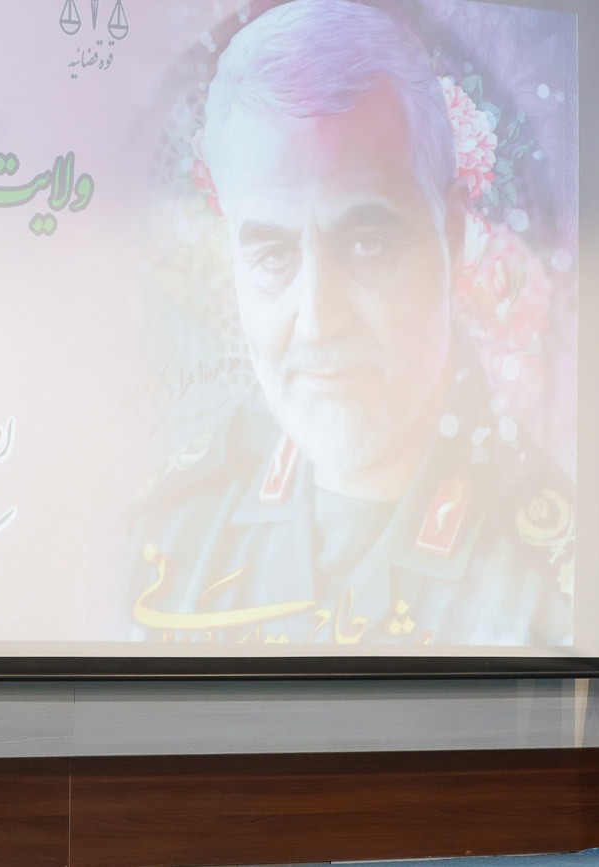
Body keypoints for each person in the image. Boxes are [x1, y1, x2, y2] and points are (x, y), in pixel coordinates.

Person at [127, 0, 574, 646]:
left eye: (367, 244)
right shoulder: (167, 538)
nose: (317, 321)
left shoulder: (559, 588)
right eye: (272, 256)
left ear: (451, 237)